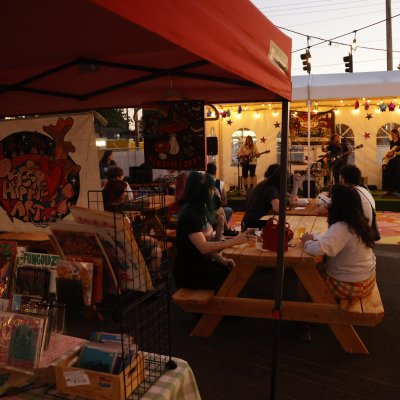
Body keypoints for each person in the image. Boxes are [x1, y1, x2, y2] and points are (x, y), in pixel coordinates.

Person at [294, 185, 376, 342]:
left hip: (351, 284)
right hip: (367, 280)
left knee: (306, 279)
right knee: (319, 269)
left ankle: (302, 323)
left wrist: (306, 242)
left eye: (331, 200)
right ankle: (317, 313)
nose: (329, 203)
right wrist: (316, 237)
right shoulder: (358, 222)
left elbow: (319, 249)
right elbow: (331, 240)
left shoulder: (341, 227)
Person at [174, 171, 248, 291]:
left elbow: (202, 246)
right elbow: (203, 247)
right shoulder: (190, 215)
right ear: (204, 192)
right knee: (230, 279)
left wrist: (222, 260)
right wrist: (235, 241)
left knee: (230, 272)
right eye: (211, 188)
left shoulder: (196, 210)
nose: (213, 191)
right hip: (188, 271)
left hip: (196, 263)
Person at [102, 179, 162, 281]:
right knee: (157, 250)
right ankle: (151, 276)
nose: (126, 193)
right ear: (119, 193)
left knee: (154, 241)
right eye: (124, 191)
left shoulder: (106, 205)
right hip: (126, 245)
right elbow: (145, 202)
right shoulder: (119, 206)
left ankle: (146, 273)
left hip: (114, 243)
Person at [242, 164, 281, 229]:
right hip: (253, 225)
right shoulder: (271, 187)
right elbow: (278, 209)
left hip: (249, 222)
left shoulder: (264, 184)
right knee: (282, 226)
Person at [205, 163, 236, 235]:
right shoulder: (220, 183)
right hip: (208, 212)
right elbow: (224, 202)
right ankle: (225, 229)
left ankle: (224, 230)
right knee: (227, 210)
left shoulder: (201, 182)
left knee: (221, 214)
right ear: (215, 172)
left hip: (207, 211)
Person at [383, 128, 400, 196]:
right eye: (391, 134)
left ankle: (398, 191)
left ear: (397, 134)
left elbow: (396, 152)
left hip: (398, 160)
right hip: (392, 160)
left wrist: (395, 153)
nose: (391, 135)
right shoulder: (391, 142)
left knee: (398, 175)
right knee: (391, 175)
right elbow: (391, 151)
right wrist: (388, 155)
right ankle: (391, 190)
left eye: (392, 134)